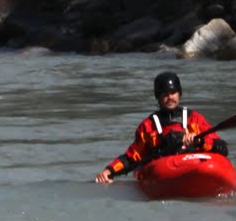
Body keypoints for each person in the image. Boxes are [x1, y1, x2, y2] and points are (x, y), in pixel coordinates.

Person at [95, 70, 227, 182]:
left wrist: (201, 141)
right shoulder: (148, 126)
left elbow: (222, 148)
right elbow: (131, 158)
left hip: (194, 165)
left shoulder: (195, 119)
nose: (170, 97)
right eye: (165, 94)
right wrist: (109, 171)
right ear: (158, 97)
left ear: (179, 93)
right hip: (164, 169)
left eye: (173, 92)